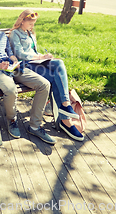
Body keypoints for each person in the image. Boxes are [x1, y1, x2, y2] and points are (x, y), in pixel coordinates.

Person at [0, 7, 56, 144]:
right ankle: (12, 120)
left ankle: (35, 126)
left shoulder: (2, 36)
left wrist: (14, 60)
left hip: (12, 67)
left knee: (44, 85)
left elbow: (10, 52)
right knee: (11, 89)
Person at [9, 10, 84, 141]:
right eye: (30, 23)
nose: (33, 26)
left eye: (34, 23)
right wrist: (40, 57)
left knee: (58, 66)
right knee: (56, 76)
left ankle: (65, 109)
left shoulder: (30, 33)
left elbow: (34, 50)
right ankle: (66, 118)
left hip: (37, 63)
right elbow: (20, 54)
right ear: (22, 21)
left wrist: (45, 57)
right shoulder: (15, 33)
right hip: (26, 65)